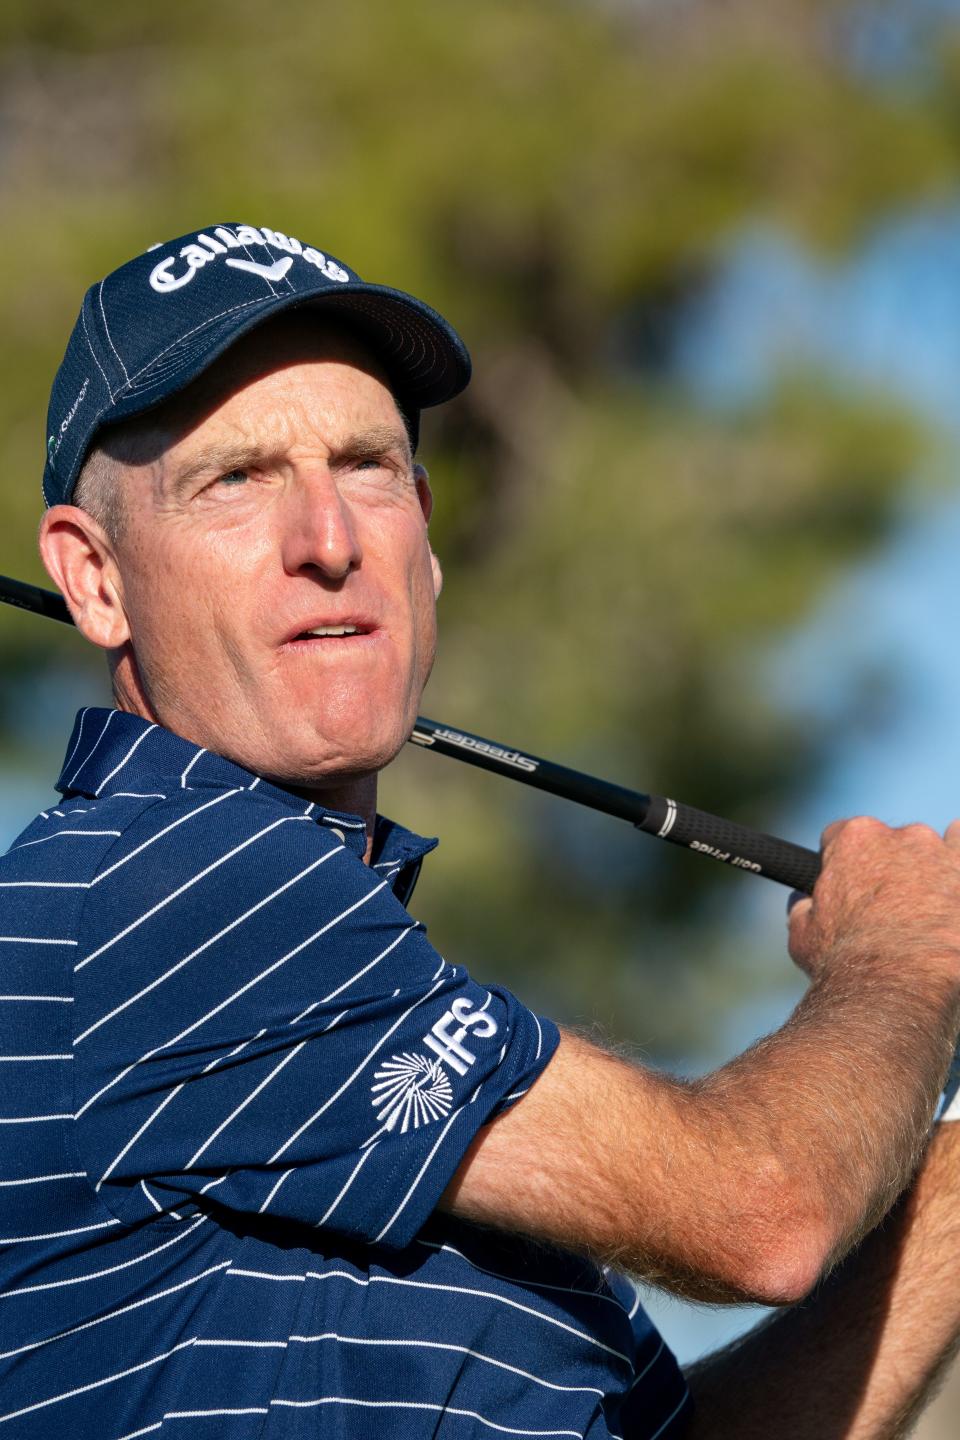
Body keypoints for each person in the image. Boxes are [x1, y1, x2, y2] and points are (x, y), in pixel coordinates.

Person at [2, 222, 960, 1440]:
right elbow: (762, 1211)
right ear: (93, 579)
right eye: (234, 480)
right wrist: (907, 950)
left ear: (429, 544)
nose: (330, 542)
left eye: (366, 466)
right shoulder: (157, 889)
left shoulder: (359, 999)